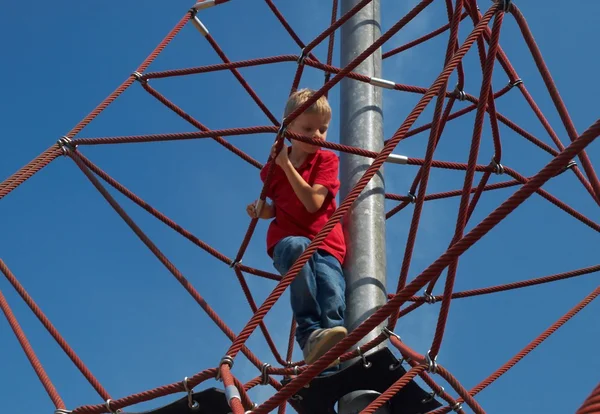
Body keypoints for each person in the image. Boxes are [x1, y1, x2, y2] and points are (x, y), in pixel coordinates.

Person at [246, 88, 347, 367]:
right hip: (289, 241)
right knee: (297, 247)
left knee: (333, 296)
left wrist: (286, 165)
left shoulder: (327, 160)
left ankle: (331, 358)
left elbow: (314, 202)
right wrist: (261, 210)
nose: (317, 136)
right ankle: (310, 335)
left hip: (327, 244)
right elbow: (277, 206)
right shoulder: (273, 170)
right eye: (308, 128)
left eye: (323, 130)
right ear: (289, 127)